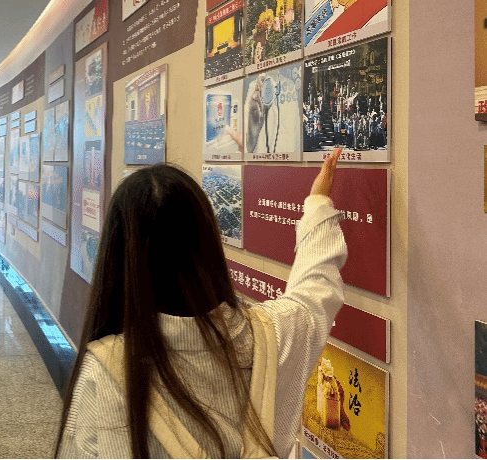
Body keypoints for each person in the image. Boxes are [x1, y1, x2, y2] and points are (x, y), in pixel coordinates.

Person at [56, 148, 347, 458]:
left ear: (117, 257)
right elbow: (315, 289)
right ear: (208, 242)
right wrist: (318, 203)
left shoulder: (105, 371)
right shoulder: (273, 335)